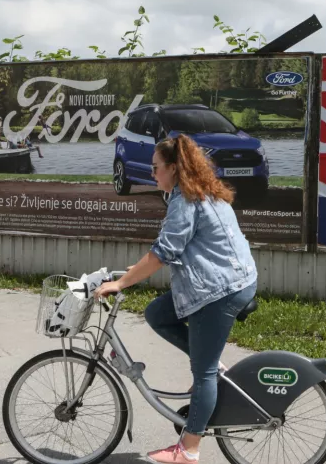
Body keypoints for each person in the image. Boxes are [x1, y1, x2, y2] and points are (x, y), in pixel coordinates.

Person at [94, 134, 258, 464]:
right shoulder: (202, 192)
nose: (152, 173)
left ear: (173, 167)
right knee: (157, 313)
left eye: (155, 168)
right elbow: (182, 249)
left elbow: (164, 252)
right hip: (223, 280)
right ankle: (210, 362)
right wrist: (137, 270)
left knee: (204, 373)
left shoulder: (186, 201)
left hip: (219, 290)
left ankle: (189, 449)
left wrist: (123, 282)